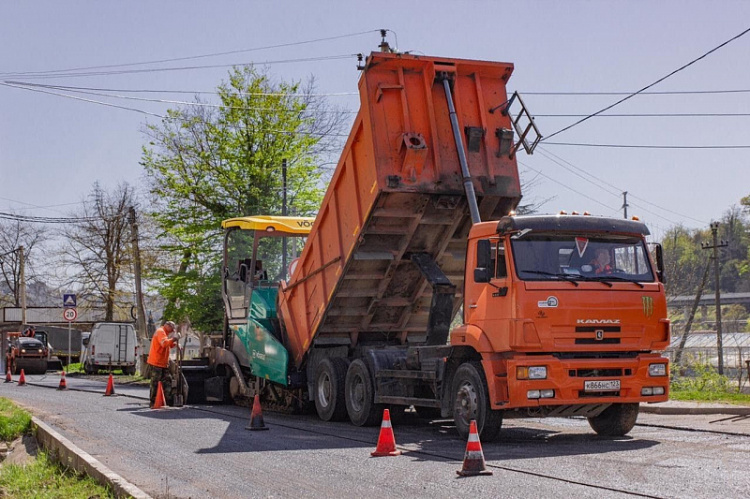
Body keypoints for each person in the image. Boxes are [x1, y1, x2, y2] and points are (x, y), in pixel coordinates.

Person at [147, 320, 181, 407]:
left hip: (163, 363)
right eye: (172, 329)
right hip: (156, 363)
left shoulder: (164, 333)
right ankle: (153, 402)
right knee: (155, 382)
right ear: (167, 326)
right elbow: (164, 343)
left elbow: (168, 343)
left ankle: (166, 400)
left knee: (167, 381)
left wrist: (174, 344)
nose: (173, 331)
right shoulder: (160, 332)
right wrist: (174, 338)